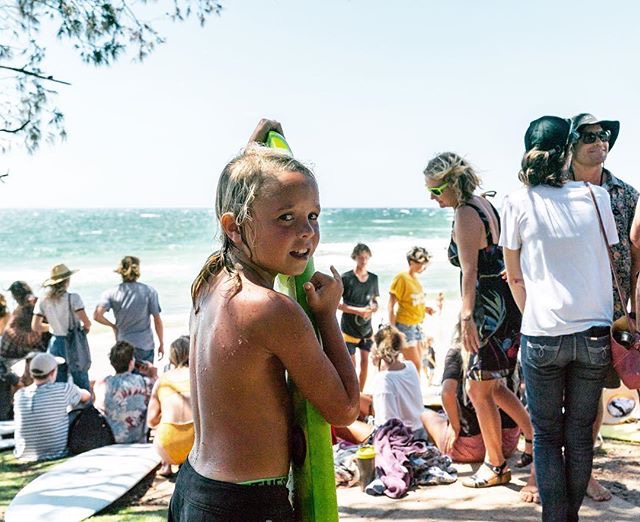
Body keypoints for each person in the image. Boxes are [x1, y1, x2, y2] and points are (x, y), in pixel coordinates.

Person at [168, 119, 359, 521]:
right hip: (245, 506)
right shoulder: (271, 309)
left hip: (194, 489)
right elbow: (343, 409)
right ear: (234, 226)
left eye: (313, 215)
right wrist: (327, 317)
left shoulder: (209, 283)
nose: (306, 233)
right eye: (286, 218)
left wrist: (252, 149)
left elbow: (239, 200)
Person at [500, 115, 617, 521]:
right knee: (579, 436)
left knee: (548, 437)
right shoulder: (596, 197)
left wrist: (532, 312)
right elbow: (608, 257)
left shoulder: (516, 201)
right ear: (567, 152)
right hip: (595, 335)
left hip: (543, 334)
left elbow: (514, 275)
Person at [423, 152, 522, 488]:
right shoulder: (484, 204)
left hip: (486, 310)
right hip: (504, 304)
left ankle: (495, 465)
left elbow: (470, 271)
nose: (432, 198)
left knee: (477, 389)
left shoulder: (466, 212)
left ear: (452, 185)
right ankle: (538, 440)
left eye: (436, 191)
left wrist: (466, 318)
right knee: (492, 386)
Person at [569, 113, 640, 502]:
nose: (600, 141)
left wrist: (632, 304)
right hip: (565, 310)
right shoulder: (553, 191)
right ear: (570, 146)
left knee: (595, 395)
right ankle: (539, 474)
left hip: (612, 310)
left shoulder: (625, 194)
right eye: (589, 136)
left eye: (604, 136)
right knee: (556, 397)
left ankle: (586, 474)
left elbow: (636, 251)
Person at [421, 332, 538, 502]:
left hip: (471, 446)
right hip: (509, 442)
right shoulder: (500, 345)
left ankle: (495, 464)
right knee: (493, 389)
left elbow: (447, 393)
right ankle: (527, 439)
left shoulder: (459, 349)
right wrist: (528, 435)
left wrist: (454, 426)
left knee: (426, 415)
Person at [13, 352, 91, 461]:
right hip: (56, 451)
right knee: (79, 410)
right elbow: (87, 396)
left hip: (23, 453)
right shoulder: (63, 389)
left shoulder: (19, 395)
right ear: (53, 373)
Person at [94, 256, 164, 364]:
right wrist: (161, 343)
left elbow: (97, 315)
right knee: (145, 379)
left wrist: (113, 326)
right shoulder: (149, 291)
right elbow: (157, 320)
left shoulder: (111, 293)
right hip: (145, 344)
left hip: (123, 345)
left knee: (125, 378)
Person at [32, 264, 92, 391]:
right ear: (67, 281)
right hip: (74, 343)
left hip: (55, 343)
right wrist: (85, 329)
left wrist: (53, 327)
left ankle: (58, 408)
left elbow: (35, 326)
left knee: (57, 383)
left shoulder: (43, 300)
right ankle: (84, 409)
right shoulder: (73, 298)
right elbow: (86, 322)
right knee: (81, 380)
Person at [370, 324, 428, 440]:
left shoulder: (383, 380)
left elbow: (386, 426)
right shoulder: (410, 366)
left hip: (403, 437)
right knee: (365, 399)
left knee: (352, 425)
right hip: (420, 429)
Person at [147, 335, 193, 477]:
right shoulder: (198, 376)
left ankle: (166, 465)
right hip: (195, 448)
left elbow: (151, 421)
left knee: (164, 422)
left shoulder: (162, 381)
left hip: (166, 447)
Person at [94, 340, 156, 443]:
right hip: (139, 438)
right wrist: (151, 373)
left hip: (113, 439)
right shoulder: (144, 382)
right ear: (132, 361)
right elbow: (158, 389)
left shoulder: (103, 384)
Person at [338, 243, 379, 391]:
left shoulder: (373, 278)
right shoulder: (346, 278)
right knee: (351, 366)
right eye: (361, 257)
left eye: (366, 258)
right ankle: (352, 393)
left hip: (366, 329)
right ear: (355, 257)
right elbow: (337, 304)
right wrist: (359, 311)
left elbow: (374, 300)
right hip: (348, 329)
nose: (364, 261)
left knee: (365, 363)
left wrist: (374, 307)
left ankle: (360, 395)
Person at [388, 246, 434, 377]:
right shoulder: (401, 278)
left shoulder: (416, 279)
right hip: (404, 326)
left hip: (416, 326)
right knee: (414, 366)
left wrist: (425, 309)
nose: (423, 267)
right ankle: (412, 395)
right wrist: (392, 328)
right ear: (412, 262)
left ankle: (412, 393)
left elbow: (410, 302)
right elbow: (391, 304)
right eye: (421, 263)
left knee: (418, 364)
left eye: (425, 264)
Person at [0, 281, 48, 361]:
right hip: (32, 336)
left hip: (30, 335)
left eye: (14, 295)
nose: (14, 298)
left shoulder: (29, 301)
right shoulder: (25, 303)